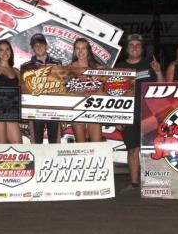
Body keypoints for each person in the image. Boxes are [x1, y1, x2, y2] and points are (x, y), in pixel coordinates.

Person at [114, 33, 164, 193]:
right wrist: (116, 116)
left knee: (151, 149)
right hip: (128, 114)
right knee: (133, 149)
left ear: (142, 48)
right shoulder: (119, 67)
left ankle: (153, 182)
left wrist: (158, 72)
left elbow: (162, 88)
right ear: (127, 48)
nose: (135, 48)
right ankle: (135, 184)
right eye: (131, 45)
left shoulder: (151, 64)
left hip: (149, 115)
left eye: (138, 45)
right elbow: (114, 94)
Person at [22, 33, 61, 144]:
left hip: (54, 109)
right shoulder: (27, 66)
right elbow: (25, 90)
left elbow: (62, 86)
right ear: (32, 48)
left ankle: (54, 161)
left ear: (46, 45)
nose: (38, 47)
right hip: (35, 110)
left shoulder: (58, 63)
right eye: (35, 45)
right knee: (36, 143)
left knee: (55, 143)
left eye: (41, 44)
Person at [0, 40, 22, 143]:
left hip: (11, 110)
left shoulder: (16, 71)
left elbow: (23, 91)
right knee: (2, 146)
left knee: (18, 143)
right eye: (1, 50)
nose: (5, 52)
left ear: (11, 52)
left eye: (7, 49)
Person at [70, 38, 102, 142]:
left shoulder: (97, 68)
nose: (80, 51)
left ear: (88, 50)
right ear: (74, 51)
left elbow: (105, 89)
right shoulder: (69, 68)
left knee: (96, 146)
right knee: (81, 147)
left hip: (94, 108)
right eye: (78, 48)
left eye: (83, 48)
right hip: (77, 109)